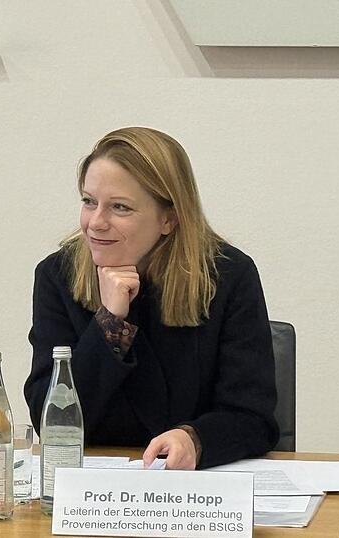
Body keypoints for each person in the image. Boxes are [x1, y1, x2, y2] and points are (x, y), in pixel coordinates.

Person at [24, 127, 278, 470]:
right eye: (89, 202)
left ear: (168, 219)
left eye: (120, 207)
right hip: (93, 491)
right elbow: (51, 418)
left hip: (196, 489)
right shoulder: (58, 276)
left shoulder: (228, 277)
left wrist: (194, 439)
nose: (96, 223)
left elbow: (253, 417)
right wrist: (110, 323)